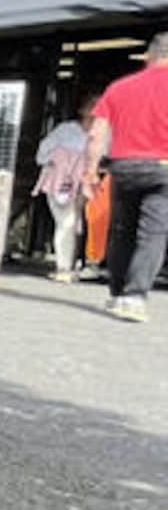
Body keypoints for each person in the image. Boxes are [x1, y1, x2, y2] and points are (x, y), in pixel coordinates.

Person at [85, 31, 168, 322]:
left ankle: (117, 293)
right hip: (164, 168)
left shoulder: (119, 87)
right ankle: (135, 297)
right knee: (153, 233)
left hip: (125, 166)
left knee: (122, 231)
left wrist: (91, 170)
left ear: (148, 56)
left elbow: (96, 133)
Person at [33, 97, 95, 282]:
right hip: (59, 181)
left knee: (78, 224)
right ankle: (63, 267)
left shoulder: (104, 134)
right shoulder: (66, 130)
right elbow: (42, 153)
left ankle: (76, 264)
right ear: (82, 110)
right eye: (93, 105)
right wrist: (61, 162)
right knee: (66, 222)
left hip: (85, 184)